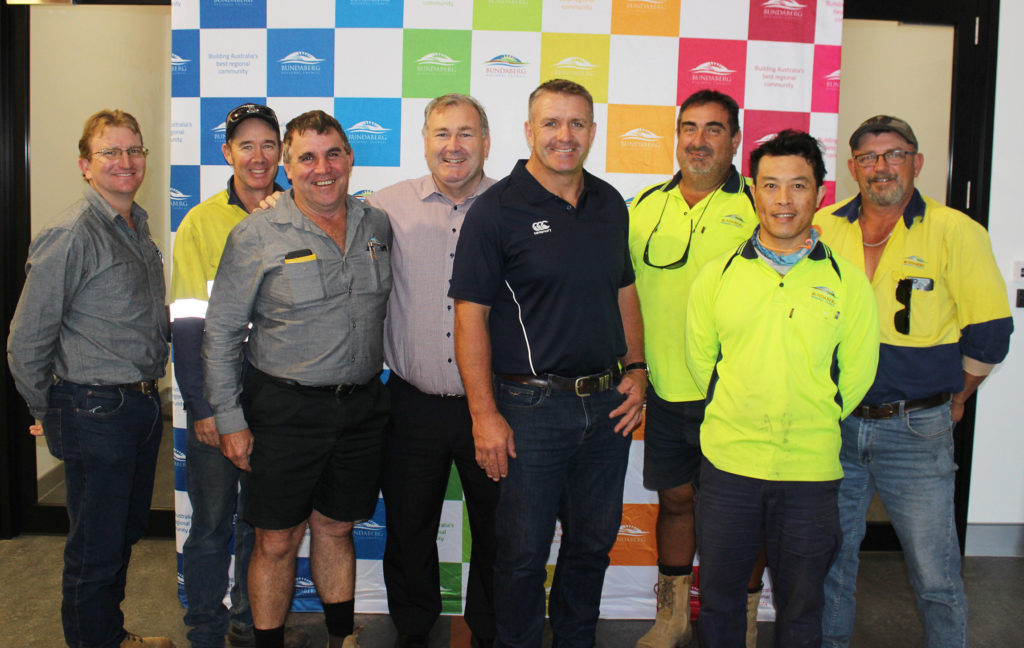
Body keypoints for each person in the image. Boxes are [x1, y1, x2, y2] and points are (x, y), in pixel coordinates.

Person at [449, 79, 648, 648]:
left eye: (578, 123)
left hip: (607, 408)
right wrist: (483, 414)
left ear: (592, 130)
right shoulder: (496, 212)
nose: (566, 136)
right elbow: (469, 319)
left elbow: (625, 290)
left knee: (591, 547)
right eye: (552, 124)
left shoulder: (609, 202)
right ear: (529, 131)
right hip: (529, 410)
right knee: (521, 557)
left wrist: (637, 370)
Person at [816, 115, 1013, 648]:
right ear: (853, 168)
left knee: (935, 572)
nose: (882, 167)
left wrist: (960, 395)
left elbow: (991, 331)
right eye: (869, 158)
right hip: (835, 429)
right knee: (832, 564)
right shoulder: (825, 227)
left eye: (894, 154)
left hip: (917, 430)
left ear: (916, 162)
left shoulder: (956, 231)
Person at [203, 110, 392, 648]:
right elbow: (220, 335)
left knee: (336, 528)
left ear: (350, 158)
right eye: (306, 157)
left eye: (333, 154)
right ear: (287, 166)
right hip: (283, 410)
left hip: (359, 408)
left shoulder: (375, 225)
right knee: (277, 539)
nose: (322, 168)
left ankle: (341, 639)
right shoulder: (256, 233)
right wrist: (230, 419)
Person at [685, 130, 879, 647]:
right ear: (753, 191)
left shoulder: (847, 281)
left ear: (819, 192)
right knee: (721, 605)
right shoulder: (717, 275)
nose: (784, 200)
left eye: (798, 186)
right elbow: (701, 362)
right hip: (729, 468)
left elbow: (856, 375)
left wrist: (812, 414)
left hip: (810, 472)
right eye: (771, 186)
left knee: (801, 610)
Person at [7, 110, 173, 648]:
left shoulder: (136, 225)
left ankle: (109, 634)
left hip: (139, 407)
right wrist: (45, 409)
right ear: (85, 165)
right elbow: (26, 339)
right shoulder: (71, 234)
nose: (125, 161)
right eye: (110, 152)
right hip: (95, 408)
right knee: (95, 547)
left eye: (134, 150)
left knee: (121, 535)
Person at [627, 89, 764, 648]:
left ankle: (743, 623)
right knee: (676, 502)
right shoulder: (644, 206)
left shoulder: (760, 207)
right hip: (662, 390)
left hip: (735, 396)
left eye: (714, 129)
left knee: (741, 517)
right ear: (676, 135)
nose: (699, 140)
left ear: (734, 140)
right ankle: (672, 618)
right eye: (689, 127)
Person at [171, 103, 308, 648]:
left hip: (276, 402)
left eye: (268, 145)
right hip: (218, 398)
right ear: (226, 153)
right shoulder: (202, 221)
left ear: (283, 154)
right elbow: (185, 323)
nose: (258, 157)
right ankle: (204, 630)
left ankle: (253, 622)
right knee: (209, 526)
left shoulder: (301, 213)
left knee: (265, 526)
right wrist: (203, 407)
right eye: (245, 146)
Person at [366, 94, 499, 648]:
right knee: (409, 528)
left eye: (466, 133)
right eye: (442, 133)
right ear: (424, 141)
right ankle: (414, 629)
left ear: (486, 143)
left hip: (492, 407)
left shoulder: (512, 206)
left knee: (498, 531)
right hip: (412, 402)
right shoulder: (383, 206)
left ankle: (487, 631)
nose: (453, 146)